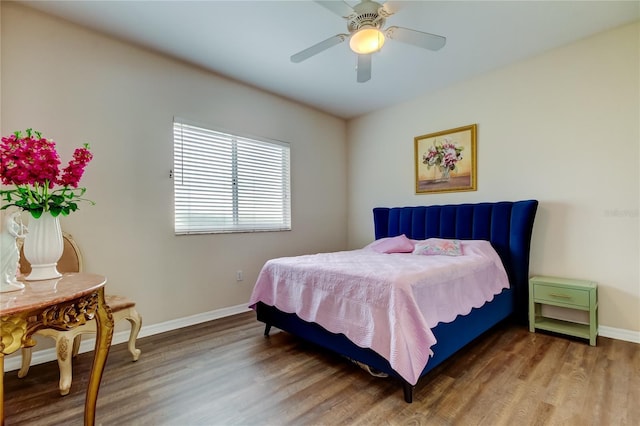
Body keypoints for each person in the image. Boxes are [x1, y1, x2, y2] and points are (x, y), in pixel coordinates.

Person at [1, 211, 27, 292]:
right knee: (8, 259)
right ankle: (4, 281)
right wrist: (19, 236)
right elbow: (10, 231)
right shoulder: (8, 220)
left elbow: (15, 229)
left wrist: (23, 229)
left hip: (11, 242)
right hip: (7, 241)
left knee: (15, 257)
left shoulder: (13, 220)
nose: (19, 213)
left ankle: (10, 279)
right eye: (18, 211)